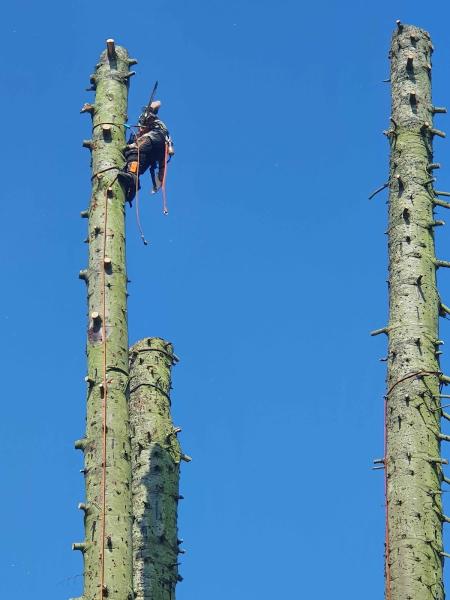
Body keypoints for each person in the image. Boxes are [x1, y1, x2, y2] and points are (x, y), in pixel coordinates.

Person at [118, 100, 173, 205]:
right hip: (156, 151)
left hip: (155, 138)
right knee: (139, 164)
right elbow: (162, 164)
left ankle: (132, 177)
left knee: (134, 152)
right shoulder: (159, 133)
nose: (140, 130)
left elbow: (158, 103)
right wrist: (159, 180)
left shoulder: (151, 122)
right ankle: (131, 187)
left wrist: (150, 108)